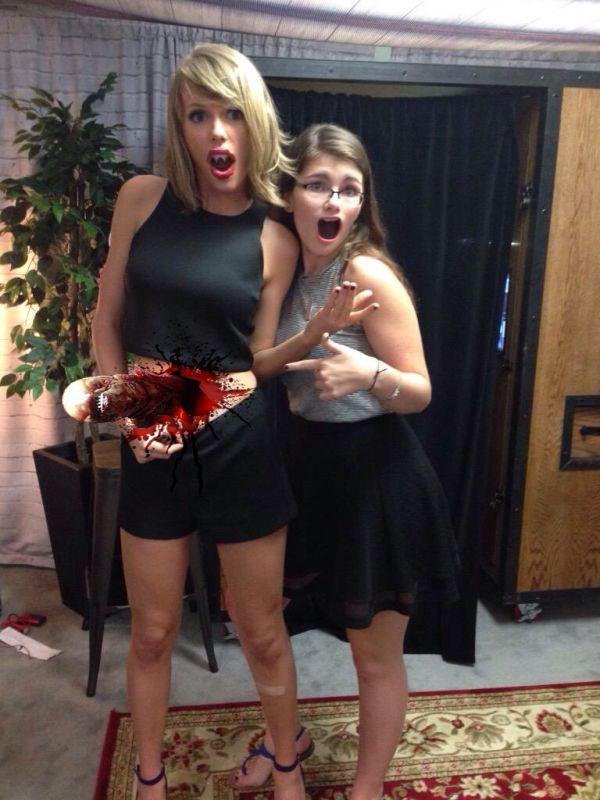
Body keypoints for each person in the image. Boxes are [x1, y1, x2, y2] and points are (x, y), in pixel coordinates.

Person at [91, 44, 320, 800]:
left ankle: (286, 769)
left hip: (238, 441)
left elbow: (257, 362)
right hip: (151, 434)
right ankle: (150, 780)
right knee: (153, 631)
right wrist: (127, 408)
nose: (217, 133)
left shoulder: (275, 234)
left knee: (260, 631)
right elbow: (107, 319)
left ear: (255, 123)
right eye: (198, 116)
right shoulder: (141, 200)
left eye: (231, 114)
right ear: (179, 126)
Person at [236, 123, 459, 800]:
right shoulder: (286, 269)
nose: (333, 201)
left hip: (377, 476)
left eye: (349, 189)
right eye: (318, 185)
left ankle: (366, 790)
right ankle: (289, 742)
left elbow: (420, 390)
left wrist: (369, 375)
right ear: (291, 195)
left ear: (362, 203)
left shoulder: (364, 272)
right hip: (306, 467)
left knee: (374, 655)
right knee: (256, 616)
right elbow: (260, 362)